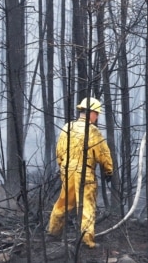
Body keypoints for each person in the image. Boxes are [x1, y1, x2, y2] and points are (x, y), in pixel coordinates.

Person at [47, 97, 114, 249]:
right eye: (97, 113)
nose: (97, 117)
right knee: (87, 206)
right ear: (91, 113)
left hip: (68, 170)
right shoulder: (93, 131)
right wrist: (108, 170)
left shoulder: (68, 127)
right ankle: (87, 240)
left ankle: (53, 232)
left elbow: (59, 151)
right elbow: (103, 153)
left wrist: (63, 167)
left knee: (64, 202)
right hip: (85, 172)